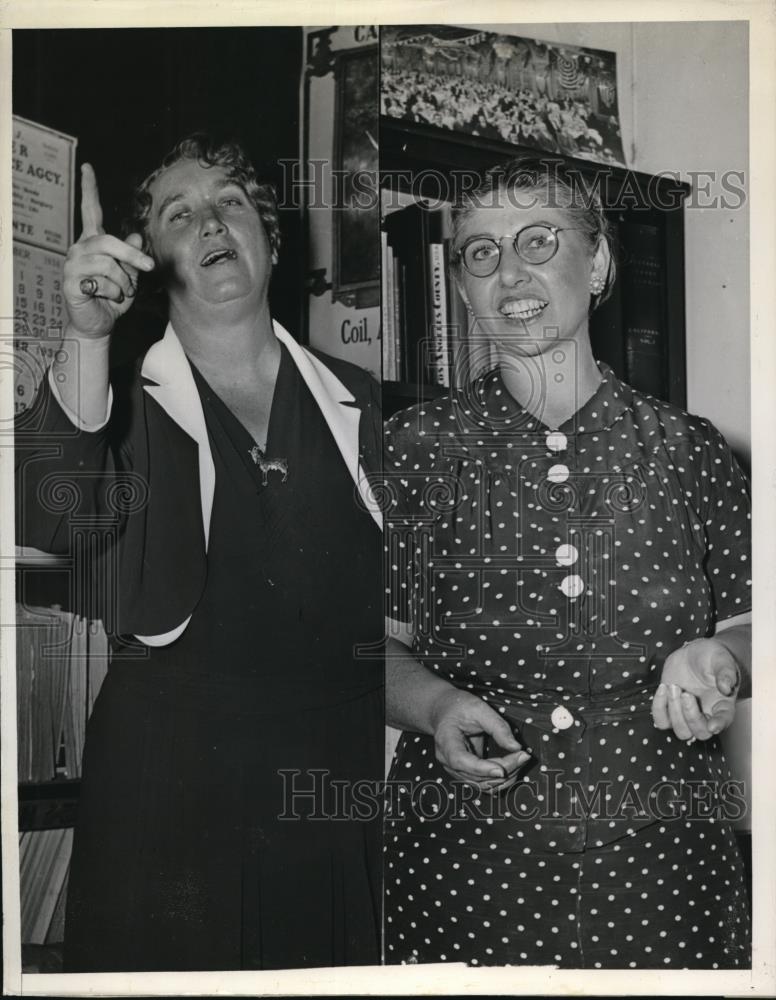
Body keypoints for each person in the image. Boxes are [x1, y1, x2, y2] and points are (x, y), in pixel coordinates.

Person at [15, 135, 384, 971]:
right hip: (171, 783)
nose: (212, 219)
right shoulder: (119, 399)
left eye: (232, 201)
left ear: (270, 237)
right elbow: (50, 517)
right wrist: (83, 335)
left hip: (330, 783)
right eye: (180, 213)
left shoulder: (355, 398)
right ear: (151, 259)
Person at [383, 156, 751, 969]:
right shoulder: (412, 451)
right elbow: (363, 647)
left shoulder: (691, 451)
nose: (508, 271)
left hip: (668, 864)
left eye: (537, 240)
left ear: (601, 262)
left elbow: (754, 623)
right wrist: (437, 706)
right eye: (480, 253)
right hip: (465, 865)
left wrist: (718, 659)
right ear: (463, 287)